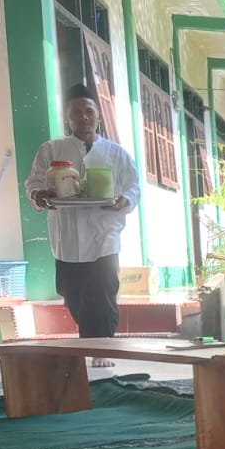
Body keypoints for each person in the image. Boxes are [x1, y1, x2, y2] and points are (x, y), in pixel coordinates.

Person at [25, 83, 140, 367]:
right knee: (73, 296)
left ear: (98, 115)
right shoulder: (51, 149)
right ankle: (93, 342)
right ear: (68, 117)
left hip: (105, 235)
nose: (84, 117)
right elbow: (35, 182)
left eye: (89, 111)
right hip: (67, 237)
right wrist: (38, 195)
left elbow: (133, 186)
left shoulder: (116, 153)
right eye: (76, 112)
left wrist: (122, 201)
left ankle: (102, 349)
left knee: (102, 293)